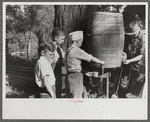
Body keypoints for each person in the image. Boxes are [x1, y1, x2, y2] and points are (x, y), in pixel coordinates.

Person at [66, 31, 105, 98]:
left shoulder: (69, 50)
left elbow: (72, 65)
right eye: (81, 41)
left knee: (70, 97)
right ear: (77, 41)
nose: (81, 43)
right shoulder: (76, 50)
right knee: (76, 97)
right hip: (76, 77)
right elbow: (89, 57)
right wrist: (101, 62)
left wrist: (84, 72)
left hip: (69, 76)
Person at [119, 20, 145, 98]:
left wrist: (130, 60)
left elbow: (141, 56)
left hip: (137, 67)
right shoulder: (128, 37)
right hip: (127, 65)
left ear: (138, 31)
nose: (132, 36)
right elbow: (124, 49)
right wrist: (124, 54)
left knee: (134, 88)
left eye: (133, 34)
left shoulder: (143, 38)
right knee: (123, 85)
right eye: (131, 34)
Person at [51, 27, 65, 98]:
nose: (63, 41)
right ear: (56, 38)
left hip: (58, 70)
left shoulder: (59, 48)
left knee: (58, 86)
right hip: (52, 70)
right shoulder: (50, 47)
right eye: (61, 39)